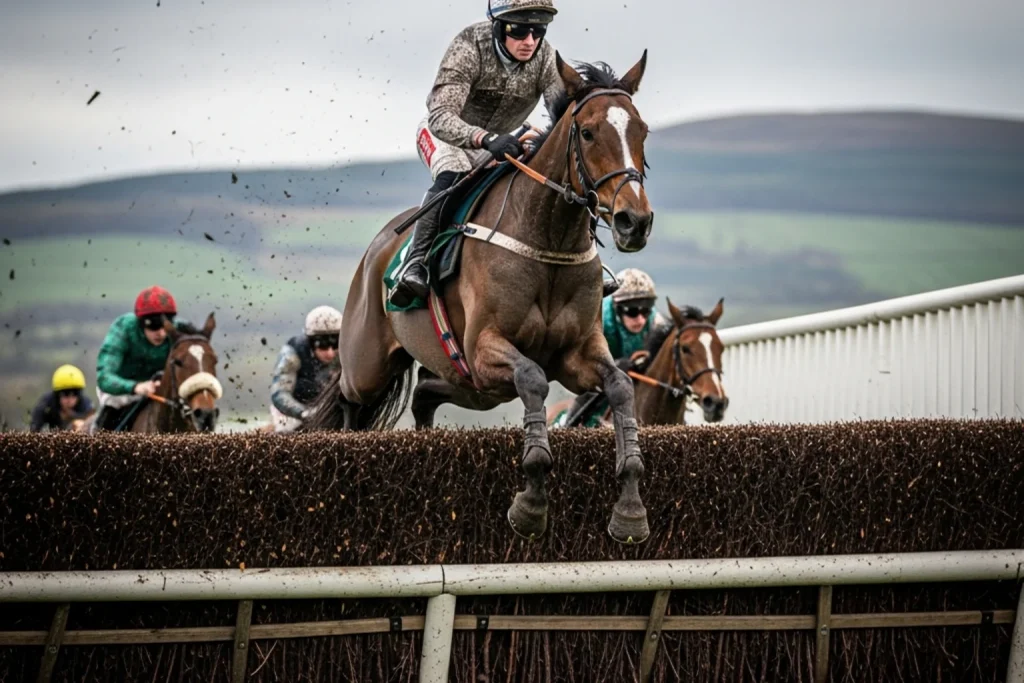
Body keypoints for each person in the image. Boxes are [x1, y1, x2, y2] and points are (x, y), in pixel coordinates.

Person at [388, 0, 564, 308]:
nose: (530, 41)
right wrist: (486, 138)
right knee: (453, 175)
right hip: (446, 134)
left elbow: (562, 115)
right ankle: (415, 263)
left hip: (503, 141)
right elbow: (441, 116)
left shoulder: (546, 57)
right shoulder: (469, 46)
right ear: (498, 27)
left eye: (538, 31)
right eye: (519, 31)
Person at [560, 268, 672, 427]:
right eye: (632, 311)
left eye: (646, 310)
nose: (640, 319)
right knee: (588, 392)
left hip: (635, 378)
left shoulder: (656, 321)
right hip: (599, 378)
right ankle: (568, 427)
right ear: (617, 308)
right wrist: (614, 367)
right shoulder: (596, 321)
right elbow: (579, 363)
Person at [91, 285, 188, 431]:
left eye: (165, 326)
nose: (161, 333)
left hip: (159, 390)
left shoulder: (179, 329)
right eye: (154, 326)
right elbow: (104, 378)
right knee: (112, 409)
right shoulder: (123, 329)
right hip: (122, 393)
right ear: (141, 322)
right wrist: (135, 387)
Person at [269, 305, 343, 433]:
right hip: (295, 412)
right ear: (310, 341)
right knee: (287, 431)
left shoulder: (344, 355)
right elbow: (279, 394)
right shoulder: (292, 354)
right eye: (323, 344)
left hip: (330, 410)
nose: (330, 352)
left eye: (335, 343)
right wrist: (304, 413)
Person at [30, 364, 95, 432]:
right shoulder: (46, 406)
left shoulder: (87, 406)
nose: (70, 399)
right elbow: (34, 429)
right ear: (57, 395)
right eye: (65, 393)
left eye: (75, 393)